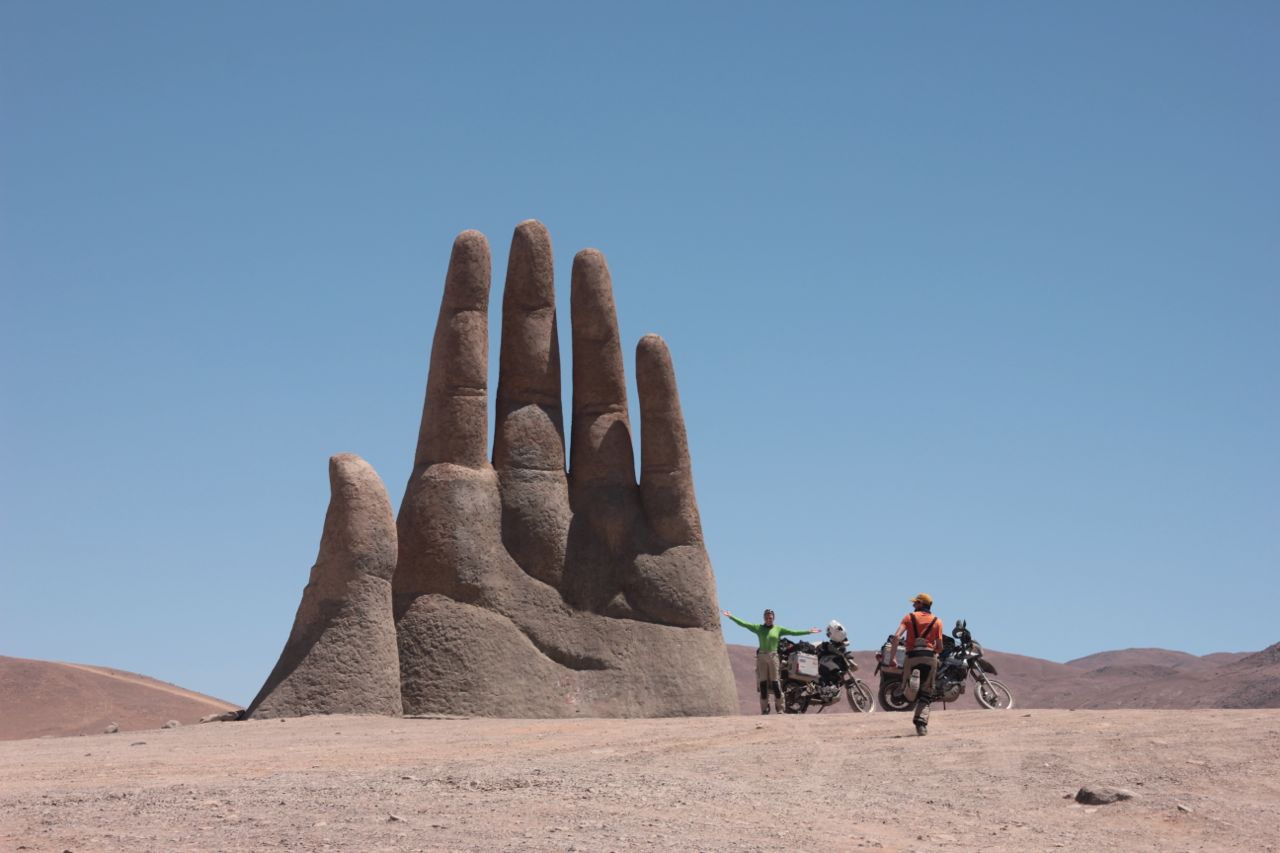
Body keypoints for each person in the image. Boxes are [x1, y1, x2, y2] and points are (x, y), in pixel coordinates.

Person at [723, 608, 819, 714]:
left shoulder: (778, 629)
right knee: (763, 683)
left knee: (775, 683)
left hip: (773, 657)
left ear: (774, 618)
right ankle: (764, 709)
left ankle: (780, 708)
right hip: (762, 657)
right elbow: (744, 624)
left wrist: (808, 631)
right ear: (764, 618)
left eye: (771, 618)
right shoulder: (758, 628)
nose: (769, 619)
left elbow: (793, 632)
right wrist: (731, 617)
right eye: (767, 617)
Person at [888, 593, 943, 736]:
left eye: (915, 603)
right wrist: (934, 651)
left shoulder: (908, 617)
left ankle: (912, 685)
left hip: (912, 656)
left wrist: (892, 658)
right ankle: (921, 724)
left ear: (921, 604)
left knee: (905, 686)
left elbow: (896, 637)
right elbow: (940, 646)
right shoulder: (937, 621)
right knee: (926, 693)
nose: (913, 605)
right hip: (929, 657)